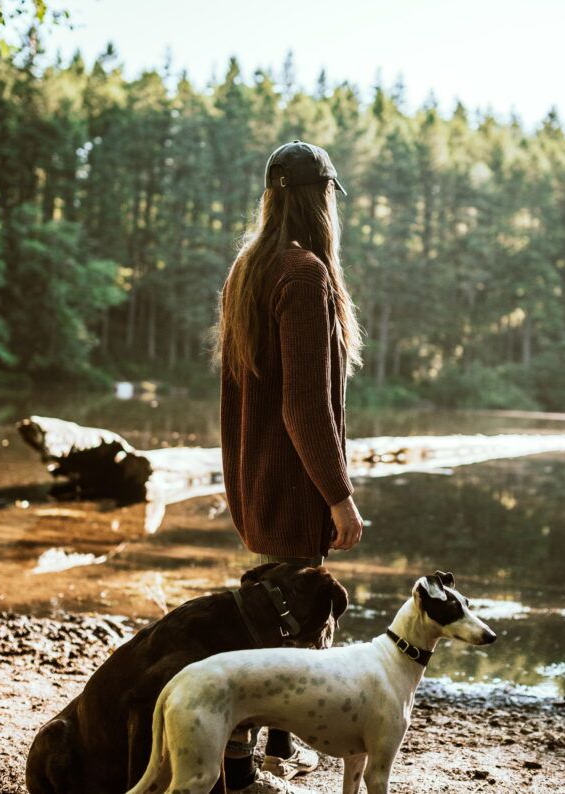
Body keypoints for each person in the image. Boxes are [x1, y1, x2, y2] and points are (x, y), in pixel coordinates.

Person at [216, 140, 365, 793]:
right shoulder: (303, 274)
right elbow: (304, 409)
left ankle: (276, 743)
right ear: (322, 197)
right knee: (274, 626)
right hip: (290, 485)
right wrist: (340, 497)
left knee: (281, 616)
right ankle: (240, 767)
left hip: (256, 481)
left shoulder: (250, 267)